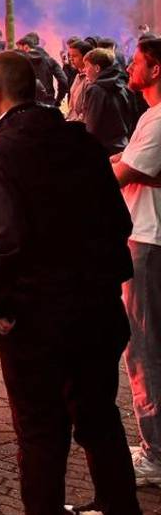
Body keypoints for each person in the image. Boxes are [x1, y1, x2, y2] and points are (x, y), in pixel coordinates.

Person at [0, 51, 142, 515]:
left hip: (37, 319)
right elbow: (118, 219)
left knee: (41, 436)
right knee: (100, 422)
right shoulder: (80, 139)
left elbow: (7, 240)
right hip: (95, 309)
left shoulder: (0, 151)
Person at [116, 37, 161, 490]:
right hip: (146, 236)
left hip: (146, 241)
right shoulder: (150, 115)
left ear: (156, 70)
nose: (130, 67)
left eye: (137, 62)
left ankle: (155, 454)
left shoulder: (159, 119)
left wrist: (107, 166)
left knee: (143, 348)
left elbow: (122, 172)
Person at [82, 47, 135, 154]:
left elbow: (91, 126)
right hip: (123, 147)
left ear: (97, 68)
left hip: (101, 150)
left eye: (87, 66)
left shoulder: (95, 89)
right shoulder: (124, 87)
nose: (84, 70)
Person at [17, 33, 69, 105]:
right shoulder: (50, 60)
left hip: (27, 104)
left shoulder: (20, 61)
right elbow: (63, 81)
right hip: (48, 103)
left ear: (26, 46)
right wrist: (58, 100)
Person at [65, 38, 92, 121]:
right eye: (70, 56)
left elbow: (86, 111)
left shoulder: (89, 79)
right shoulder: (77, 76)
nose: (71, 59)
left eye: (74, 56)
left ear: (85, 57)